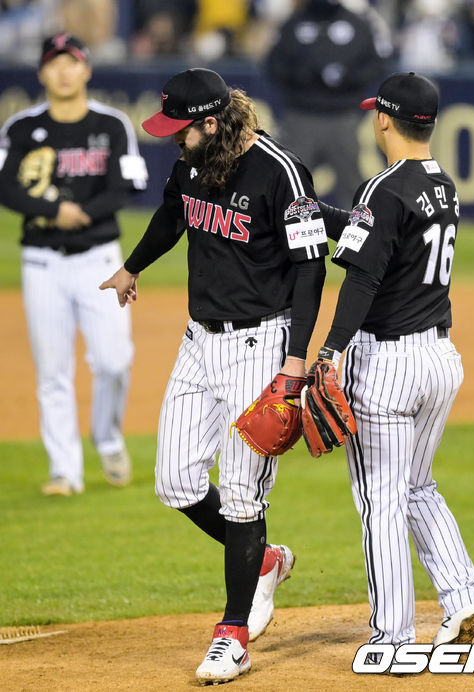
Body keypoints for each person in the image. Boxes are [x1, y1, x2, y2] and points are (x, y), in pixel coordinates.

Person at [99, 67, 343, 685]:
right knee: (175, 481)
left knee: (241, 494)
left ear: (211, 123)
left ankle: (232, 635)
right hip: (197, 341)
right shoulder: (191, 162)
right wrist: (132, 266)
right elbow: (171, 216)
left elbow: (310, 271)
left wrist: (295, 359)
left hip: (261, 346)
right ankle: (266, 561)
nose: (171, 139)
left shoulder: (279, 173)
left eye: (179, 130)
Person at [309, 72, 474, 660]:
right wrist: (325, 213)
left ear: (384, 119)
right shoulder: (443, 184)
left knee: (381, 499)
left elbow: (363, 275)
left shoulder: (382, 187)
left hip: (388, 365)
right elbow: (380, 235)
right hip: (439, 359)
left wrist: (329, 351)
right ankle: (462, 595)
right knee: (417, 485)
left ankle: (392, 635)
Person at [0, 33, 148, 496]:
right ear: (42, 72)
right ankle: (65, 469)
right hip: (42, 261)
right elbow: (6, 187)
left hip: (100, 260)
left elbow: (127, 186)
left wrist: (78, 212)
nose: (63, 71)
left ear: (86, 70)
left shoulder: (112, 123)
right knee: (52, 371)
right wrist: (51, 211)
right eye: (54, 63)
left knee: (113, 361)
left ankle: (107, 438)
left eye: (72, 62)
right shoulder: (21, 127)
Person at [265, 0, 390, 208]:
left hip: (342, 116)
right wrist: (300, 75)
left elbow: (375, 64)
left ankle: (359, 235)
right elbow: (274, 64)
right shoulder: (294, 23)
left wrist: (348, 77)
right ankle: (276, 235)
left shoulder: (356, 23)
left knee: (351, 186)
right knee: (287, 182)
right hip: (302, 116)